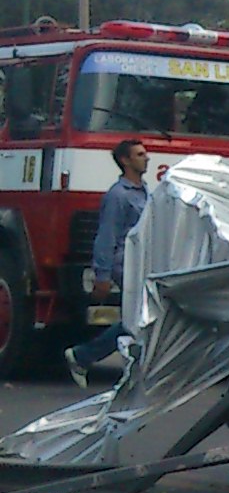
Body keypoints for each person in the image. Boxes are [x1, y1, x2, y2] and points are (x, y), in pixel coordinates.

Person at [67, 137, 151, 385]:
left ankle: (84, 356)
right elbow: (106, 236)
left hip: (143, 263)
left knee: (140, 318)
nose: (146, 158)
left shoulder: (145, 191)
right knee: (140, 318)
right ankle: (83, 356)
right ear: (125, 161)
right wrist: (102, 275)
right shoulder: (118, 196)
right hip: (125, 264)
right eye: (140, 154)